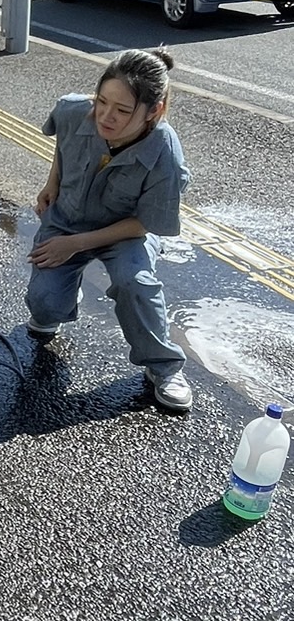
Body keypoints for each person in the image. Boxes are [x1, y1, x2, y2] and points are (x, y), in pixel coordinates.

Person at [25, 48, 192, 414]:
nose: (106, 116)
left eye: (122, 110)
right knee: (43, 309)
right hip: (67, 216)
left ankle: (163, 369)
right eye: (102, 102)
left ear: (154, 111)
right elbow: (63, 141)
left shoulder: (166, 153)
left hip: (125, 231)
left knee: (134, 282)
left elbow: (147, 222)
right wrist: (51, 182)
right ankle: (63, 296)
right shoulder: (72, 109)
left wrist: (75, 244)